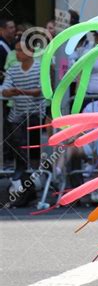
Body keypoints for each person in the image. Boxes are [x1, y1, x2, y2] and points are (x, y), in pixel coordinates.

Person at [0, 35, 45, 193]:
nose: (17, 53)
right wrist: (9, 91)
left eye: (20, 50)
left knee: (33, 144)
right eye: (16, 50)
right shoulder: (13, 70)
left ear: (31, 51)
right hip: (17, 114)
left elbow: (40, 90)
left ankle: (30, 172)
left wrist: (19, 92)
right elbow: (4, 89)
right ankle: (23, 172)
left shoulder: (40, 67)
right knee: (16, 140)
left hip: (35, 114)